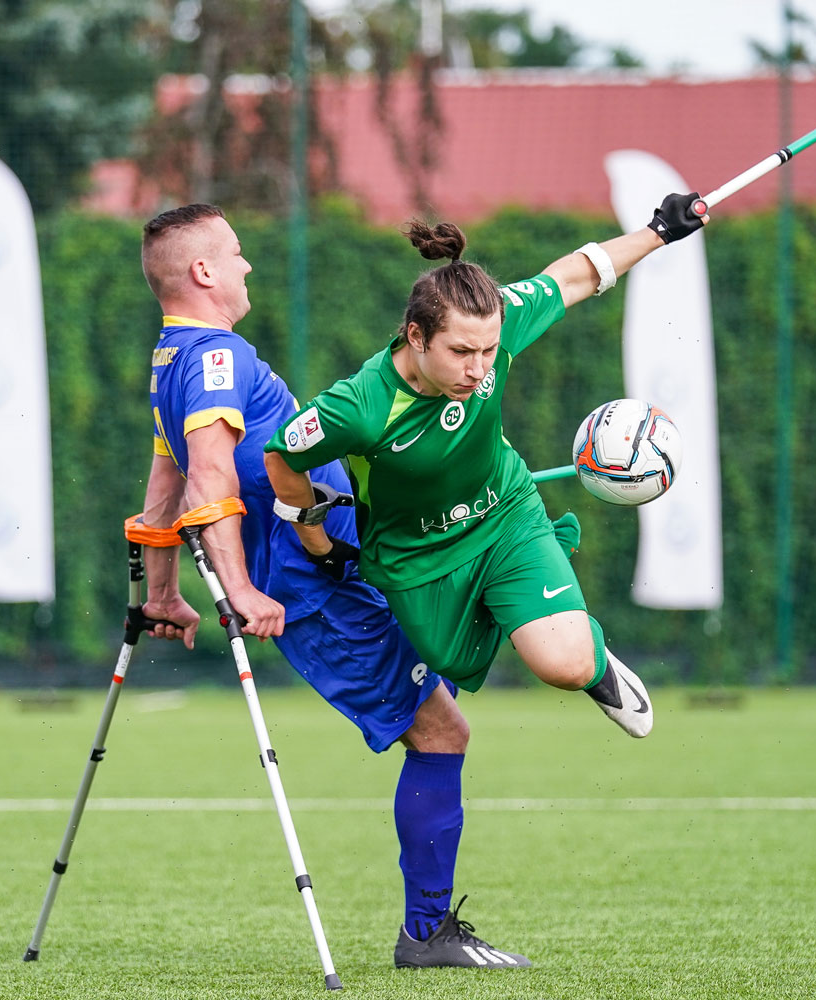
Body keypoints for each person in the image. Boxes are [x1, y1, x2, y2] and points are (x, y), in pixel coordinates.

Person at [133, 204, 530, 969]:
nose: (249, 266)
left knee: (451, 665)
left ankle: (430, 929)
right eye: (238, 254)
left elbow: (163, 482)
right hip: (315, 586)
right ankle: (426, 935)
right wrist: (241, 591)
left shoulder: (175, 359)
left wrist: (161, 591)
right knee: (442, 732)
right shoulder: (216, 359)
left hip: (341, 566)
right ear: (205, 272)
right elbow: (207, 479)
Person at [263, 194, 706, 739]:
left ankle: (586, 657)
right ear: (416, 336)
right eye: (461, 352)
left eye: (489, 351)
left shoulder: (493, 322)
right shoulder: (360, 407)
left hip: (504, 516)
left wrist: (659, 231)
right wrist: (317, 539)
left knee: (562, 665)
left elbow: (572, 277)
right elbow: (281, 455)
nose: (478, 370)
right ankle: (529, 619)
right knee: (449, 660)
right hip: (416, 557)